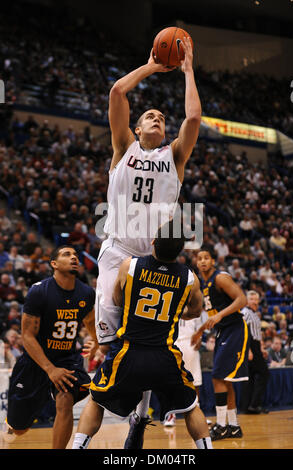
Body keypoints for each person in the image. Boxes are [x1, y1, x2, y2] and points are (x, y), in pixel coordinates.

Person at [95, 36, 202, 447]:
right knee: (112, 341)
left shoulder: (174, 156)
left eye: (161, 115)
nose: (157, 117)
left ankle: (140, 416)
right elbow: (118, 91)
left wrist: (189, 71)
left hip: (154, 260)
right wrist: (153, 67)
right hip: (118, 250)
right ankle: (119, 406)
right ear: (136, 128)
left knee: (148, 345)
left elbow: (192, 120)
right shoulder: (123, 148)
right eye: (150, 116)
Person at [72, 221, 213, 450]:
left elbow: (118, 301)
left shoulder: (130, 266)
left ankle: (78, 447)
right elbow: (196, 311)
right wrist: (174, 312)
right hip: (164, 355)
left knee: (96, 399)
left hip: (129, 352)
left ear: (153, 242)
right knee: (191, 406)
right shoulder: (189, 278)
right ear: (180, 252)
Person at [1, 245, 98, 449]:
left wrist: (97, 342)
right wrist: (50, 369)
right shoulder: (39, 292)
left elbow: (90, 321)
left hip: (66, 359)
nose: (73, 257)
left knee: (65, 400)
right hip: (35, 361)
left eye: (75, 255)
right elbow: (27, 336)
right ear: (53, 264)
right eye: (66, 254)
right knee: (19, 428)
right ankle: (17, 421)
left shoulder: (87, 293)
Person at [191, 245, 248, 441]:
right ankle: (234, 426)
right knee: (224, 380)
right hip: (223, 330)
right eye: (200, 258)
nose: (203, 261)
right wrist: (199, 331)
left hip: (235, 328)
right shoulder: (201, 283)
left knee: (217, 377)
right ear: (196, 262)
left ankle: (221, 425)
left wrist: (220, 315)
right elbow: (209, 315)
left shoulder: (220, 278)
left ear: (213, 261)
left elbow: (242, 300)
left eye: (207, 257)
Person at [240, 290, 270, 414]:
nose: (254, 301)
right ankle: (254, 404)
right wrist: (249, 350)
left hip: (256, 346)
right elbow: (243, 332)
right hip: (250, 346)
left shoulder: (255, 314)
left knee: (250, 378)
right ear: (246, 300)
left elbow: (257, 334)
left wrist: (261, 348)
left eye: (256, 299)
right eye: (252, 299)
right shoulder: (245, 313)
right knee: (264, 373)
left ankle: (248, 406)